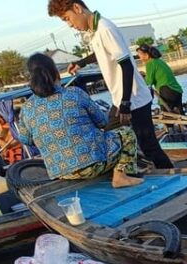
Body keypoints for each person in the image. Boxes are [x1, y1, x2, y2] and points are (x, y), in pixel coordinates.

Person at [47, 0, 173, 169]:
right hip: (123, 98)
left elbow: (126, 65)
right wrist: (81, 62)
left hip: (133, 98)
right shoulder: (96, 31)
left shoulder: (105, 28)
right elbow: (101, 52)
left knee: (145, 145)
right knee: (124, 141)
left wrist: (126, 104)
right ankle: (132, 172)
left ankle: (169, 175)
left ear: (77, 8)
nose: (70, 25)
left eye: (67, 18)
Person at [16, 53, 142, 188]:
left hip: (61, 172)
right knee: (127, 133)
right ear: (55, 72)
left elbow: (25, 140)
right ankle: (121, 177)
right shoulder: (74, 93)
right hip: (93, 165)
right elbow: (103, 122)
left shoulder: (26, 107)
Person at [136, 44, 183, 114]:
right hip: (177, 90)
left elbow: (148, 82)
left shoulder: (150, 63)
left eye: (140, 54)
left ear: (146, 55)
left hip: (168, 91)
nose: (139, 57)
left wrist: (141, 78)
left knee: (167, 115)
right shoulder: (159, 61)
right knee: (180, 114)